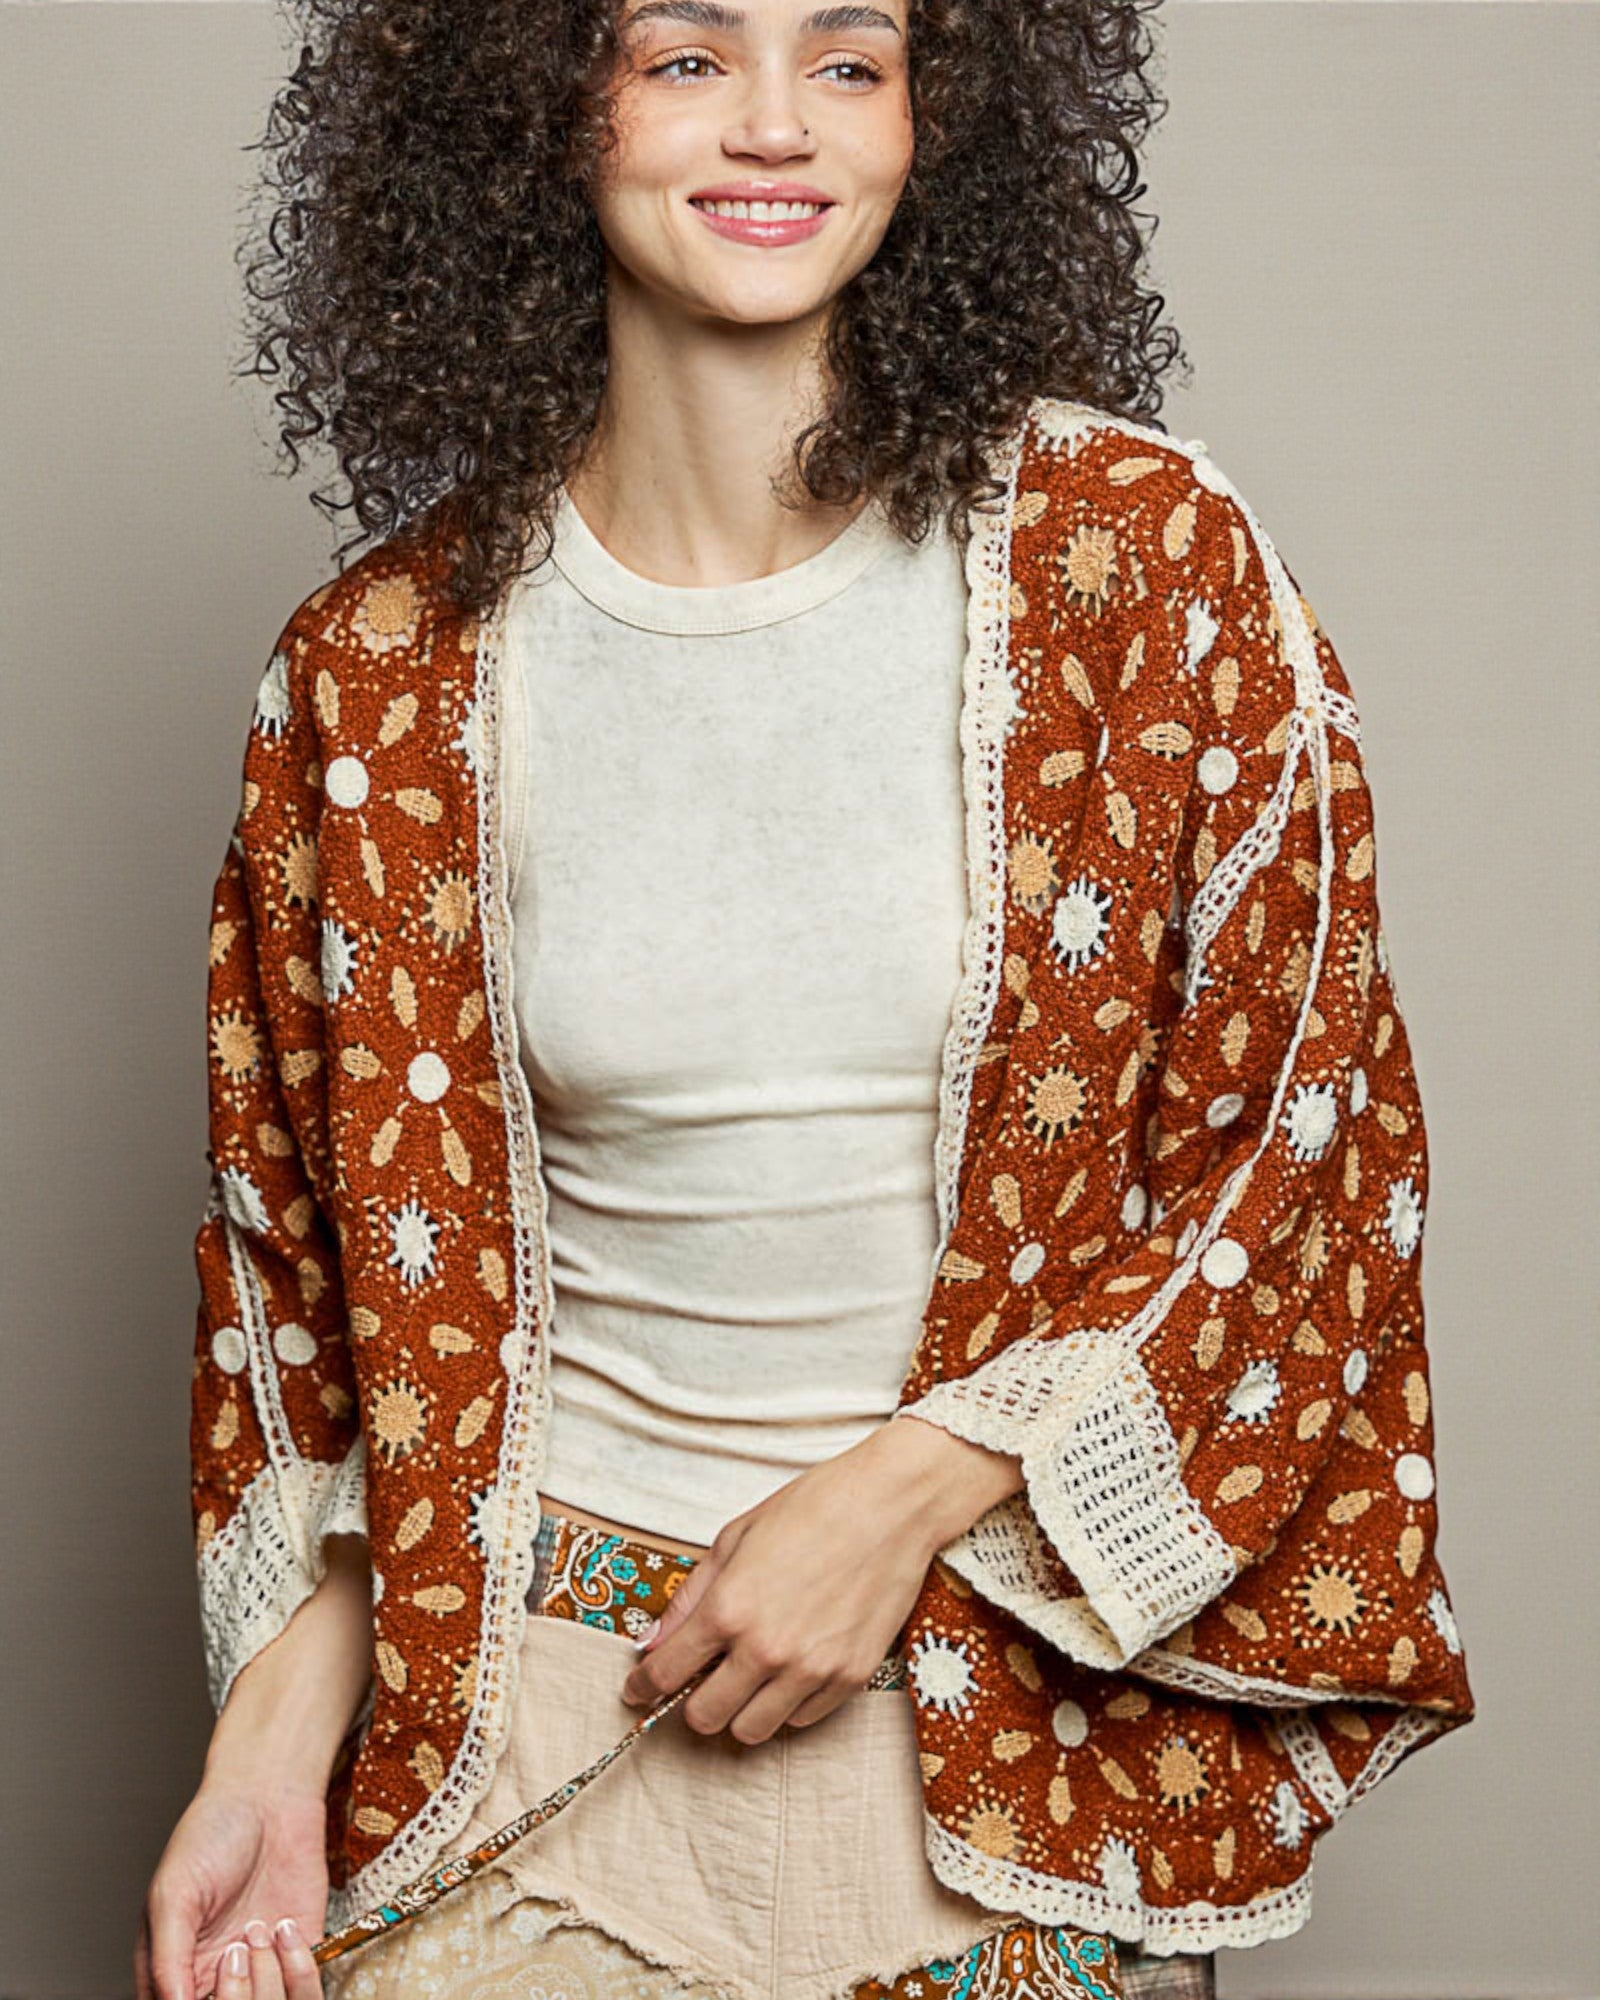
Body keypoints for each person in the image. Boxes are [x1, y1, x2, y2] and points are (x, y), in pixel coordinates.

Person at [135, 1, 1477, 1997]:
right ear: (529, 111)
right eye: (685, 57)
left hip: (991, 1759)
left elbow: (1299, 1164)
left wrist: (909, 1483)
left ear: (939, 120)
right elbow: (312, 1306)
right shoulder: (376, 676)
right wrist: (267, 1737)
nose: (773, 125)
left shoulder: (1145, 572)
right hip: (528, 1752)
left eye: (846, 61)